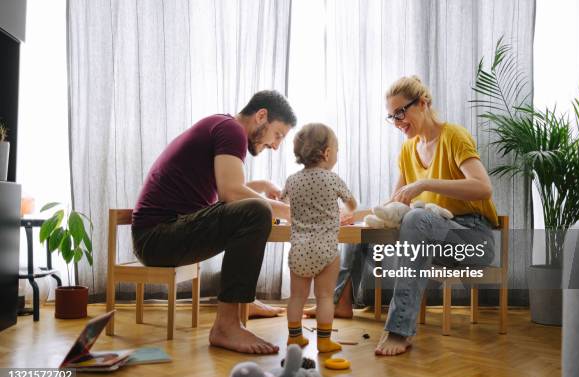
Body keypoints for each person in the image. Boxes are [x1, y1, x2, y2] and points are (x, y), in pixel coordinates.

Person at [306, 75, 499, 356]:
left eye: (400, 113)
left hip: (471, 239)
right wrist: (356, 214)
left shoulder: (454, 137)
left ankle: (399, 329)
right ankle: (341, 301)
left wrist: (424, 184)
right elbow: (394, 204)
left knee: (415, 218)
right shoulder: (408, 149)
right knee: (365, 225)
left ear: (422, 103)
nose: (397, 122)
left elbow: (483, 188)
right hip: (427, 241)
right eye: (391, 117)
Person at [131, 90, 296, 355]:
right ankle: (226, 326)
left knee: (254, 208)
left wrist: (263, 186)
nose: (276, 146)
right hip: (158, 236)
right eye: (278, 135)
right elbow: (232, 193)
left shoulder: (220, 126)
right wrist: (290, 211)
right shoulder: (231, 130)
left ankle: (244, 303)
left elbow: (222, 193)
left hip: (159, 234)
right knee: (255, 212)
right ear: (261, 116)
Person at [280, 123, 357, 353]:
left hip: (299, 250)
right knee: (324, 297)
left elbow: (283, 203)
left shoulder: (292, 180)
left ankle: (295, 337)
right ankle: (324, 341)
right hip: (326, 249)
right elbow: (351, 205)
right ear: (327, 153)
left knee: (296, 297)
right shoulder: (333, 179)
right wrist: (344, 212)